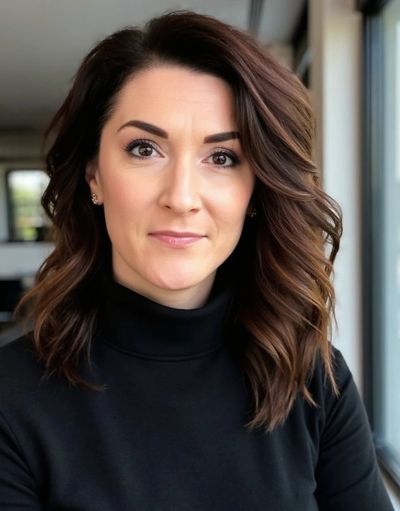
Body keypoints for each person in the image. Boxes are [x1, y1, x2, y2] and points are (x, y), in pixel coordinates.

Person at [0, 11, 394, 511]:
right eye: (145, 149)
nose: (182, 197)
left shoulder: (314, 380)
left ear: (256, 189)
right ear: (94, 175)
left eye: (222, 158)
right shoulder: (11, 396)